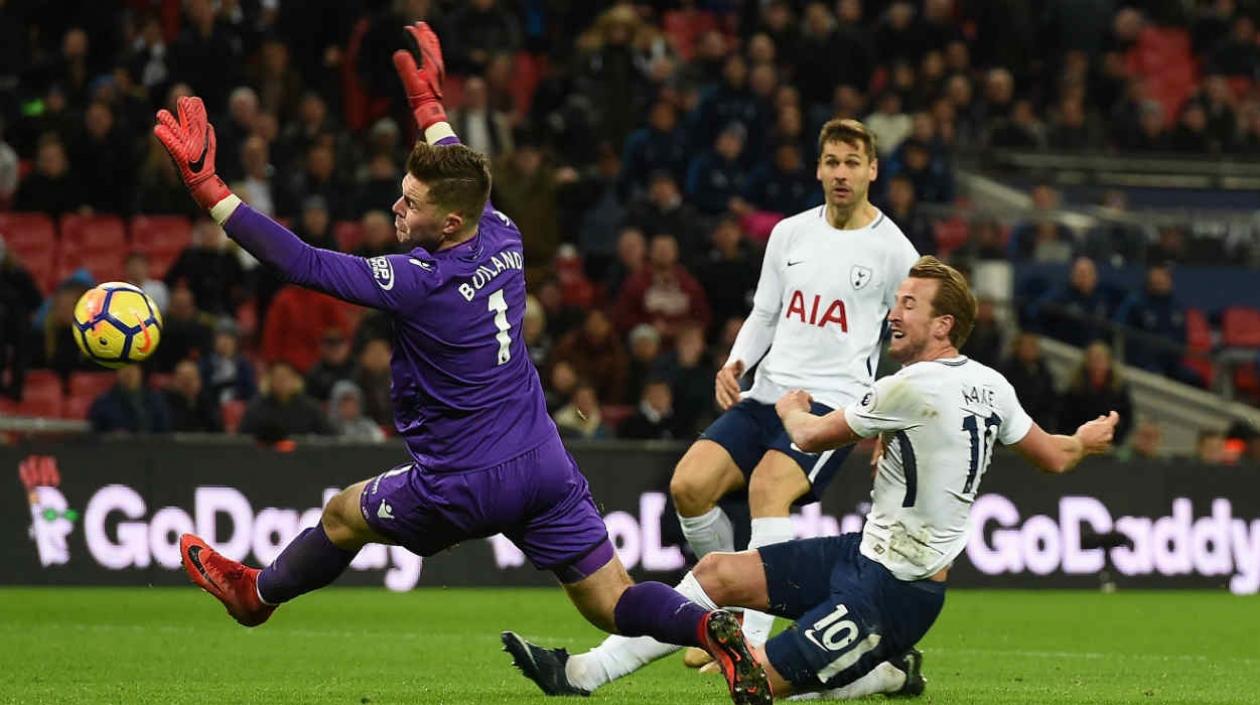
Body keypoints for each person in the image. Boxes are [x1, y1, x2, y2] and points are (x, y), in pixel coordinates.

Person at [155, 23, 767, 705]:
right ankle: (710, 629)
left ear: (447, 225)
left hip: (464, 481)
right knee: (611, 600)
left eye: (410, 204)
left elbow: (301, 262)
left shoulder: (417, 278)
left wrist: (210, 189)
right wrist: (430, 107)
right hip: (542, 462)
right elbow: (457, 166)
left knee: (341, 515)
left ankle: (255, 595)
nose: (398, 207)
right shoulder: (501, 230)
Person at [506, 257, 1119, 700]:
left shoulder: (910, 386)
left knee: (753, 685)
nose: (894, 313)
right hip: (861, 555)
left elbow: (806, 435)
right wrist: (1086, 441)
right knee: (717, 573)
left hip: (896, 593)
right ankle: (583, 673)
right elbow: (1055, 457)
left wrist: (789, 402)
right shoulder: (993, 384)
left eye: (910, 304)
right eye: (896, 299)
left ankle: (876, 671)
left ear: (944, 326)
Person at [518, 118, 920, 690]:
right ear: (818, 167)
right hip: (768, 394)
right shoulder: (790, 234)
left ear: (873, 170)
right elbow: (766, 314)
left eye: (852, 162)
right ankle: (728, 613)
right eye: (831, 161)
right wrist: (735, 362)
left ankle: (750, 640)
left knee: (768, 490)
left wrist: (886, 419)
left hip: (831, 407)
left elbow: (911, 341)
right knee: (689, 485)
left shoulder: (895, 251)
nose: (840, 173)